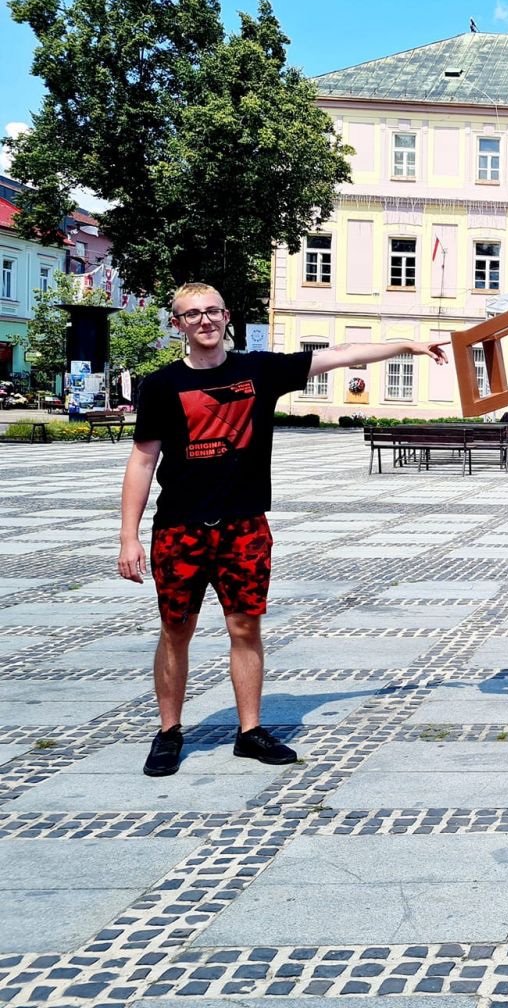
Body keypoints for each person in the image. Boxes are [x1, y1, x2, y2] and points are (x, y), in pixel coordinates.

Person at [118, 283, 445, 777]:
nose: (203, 321)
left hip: (244, 526)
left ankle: (249, 732)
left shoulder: (259, 370)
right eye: (191, 315)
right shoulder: (162, 385)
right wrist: (128, 535)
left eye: (211, 311)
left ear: (226, 316)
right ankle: (168, 732)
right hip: (180, 529)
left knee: (245, 627)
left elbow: (338, 356)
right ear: (177, 325)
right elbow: (142, 462)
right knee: (175, 630)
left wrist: (407, 346)